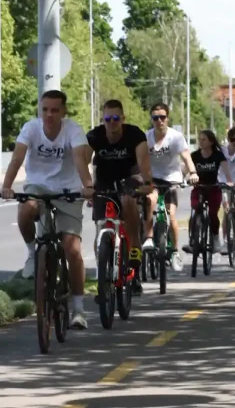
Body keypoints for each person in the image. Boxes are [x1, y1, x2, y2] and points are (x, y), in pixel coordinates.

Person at [0, 90, 94, 330]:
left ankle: (78, 309)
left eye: (54, 110)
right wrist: (7, 186)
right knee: (25, 209)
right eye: (45, 109)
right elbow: (17, 158)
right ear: (40, 110)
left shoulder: (73, 129)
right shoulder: (31, 128)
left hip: (69, 189)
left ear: (63, 111)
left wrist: (88, 187)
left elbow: (81, 160)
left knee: (72, 248)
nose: (49, 115)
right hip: (38, 186)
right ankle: (33, 252)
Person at [84, 99, 152, 295]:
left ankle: (134, 264)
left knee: (128, 200)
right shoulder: (95, 136)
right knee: (100, 227)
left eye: (116, 118)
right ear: (102, 119)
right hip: (104, 181)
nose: (112, 122)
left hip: (130, 177)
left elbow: (144, 162)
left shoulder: (135, 134)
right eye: (108, 118)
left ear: (122, 118)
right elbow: (83, 159)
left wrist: (147, 183)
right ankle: (103, 273)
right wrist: (86, 185)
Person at [145, 103, 198, 271]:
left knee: (171, 215)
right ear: (152, 119)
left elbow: (186, 157)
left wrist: (193, 173)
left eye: (162, 117)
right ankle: (148, 237)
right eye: (155, 118)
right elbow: (139, 159)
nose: (159, 121)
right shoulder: (146, 137)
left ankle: (174, 251)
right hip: (153, 178)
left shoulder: (175, 137)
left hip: (172, 179)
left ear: (167, 118)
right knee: (149, 202)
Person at [183, 129, 227, 254]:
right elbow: (185, 170)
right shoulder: (195, 155)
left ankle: (215, 237)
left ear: (211, 142)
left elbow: (225, 169)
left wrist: (228, 180)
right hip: (199, 188)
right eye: (199, 140)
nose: (201, 142)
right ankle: (193, 240)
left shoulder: (218, 155)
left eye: (204, 140)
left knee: (213, 214)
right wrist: (181, 179)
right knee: (195, 211)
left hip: (214, 188)